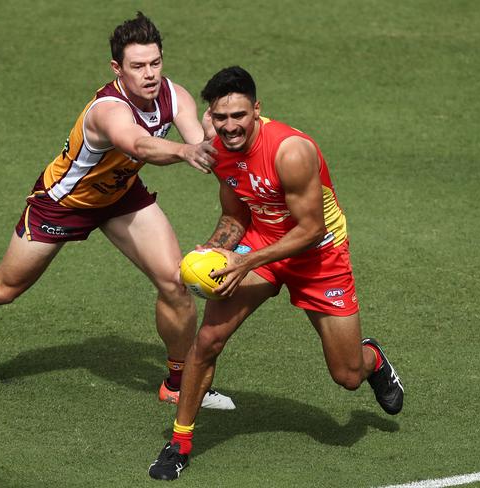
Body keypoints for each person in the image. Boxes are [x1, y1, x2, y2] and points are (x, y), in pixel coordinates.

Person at [0, 12, 235, 410]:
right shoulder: (108, 110)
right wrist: (185, 151)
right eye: (138, 66)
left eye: (155, 63)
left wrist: (215, 137)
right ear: (117, 68)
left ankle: (178, 383)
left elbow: (201, 146)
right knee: (4, 288)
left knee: (175, 283)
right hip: (64, 203)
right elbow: (139, 146)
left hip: (120, 196)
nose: (150, 74)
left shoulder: (175, 96)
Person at [148, 66, 404, 480]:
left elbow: (311, 229)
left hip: (319, 255)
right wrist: (215, 250)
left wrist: (245, 262)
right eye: (220, 117)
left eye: (239, 116)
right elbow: (234, 214)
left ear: (257, 111)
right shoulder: (219, 148)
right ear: (210, 116)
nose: (230, 126)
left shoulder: (291, 151)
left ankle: (372, 359)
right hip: (260, 243)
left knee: (348, 376)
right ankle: (179, 443)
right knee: (209, 339)